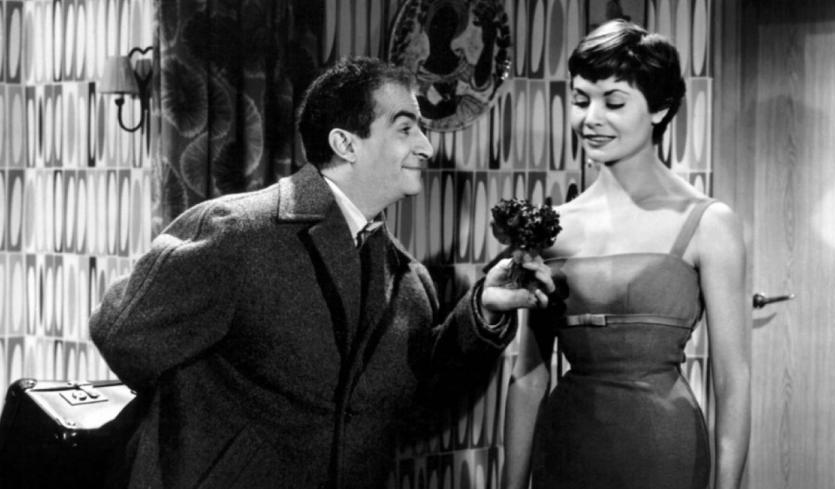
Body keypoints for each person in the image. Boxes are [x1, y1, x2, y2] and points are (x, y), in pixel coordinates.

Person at [89, 56, 554, 489]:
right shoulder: (237, 232)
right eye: (405, 128)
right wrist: (213, 431)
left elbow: (419, 400)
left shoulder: (408, 280)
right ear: (345, 143)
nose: (426, 147)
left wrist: (482, 310)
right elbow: (122, 334)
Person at [502, 20, 750, 489]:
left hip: (664, 450)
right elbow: (529, 376)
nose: (591, 118)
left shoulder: (710, 223)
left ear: (659, 108)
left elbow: (732, 381)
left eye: (613, 102)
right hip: (566, 450)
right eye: (581, 100)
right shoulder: (551, 227)